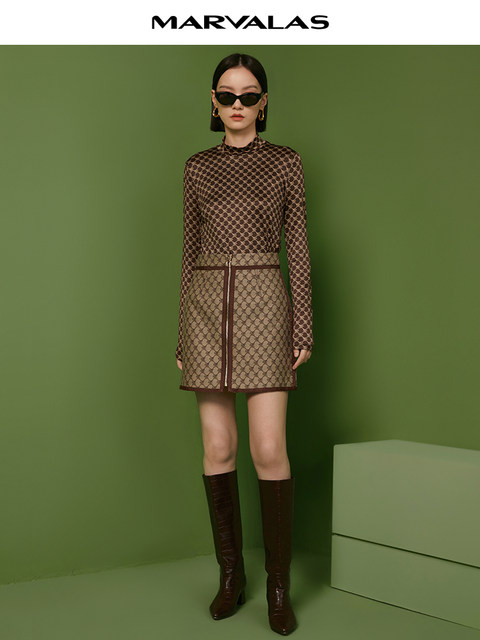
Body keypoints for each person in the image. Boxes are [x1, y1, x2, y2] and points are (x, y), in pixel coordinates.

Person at [175, 52, 314, 636]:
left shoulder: (285, 162)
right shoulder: (196, 168)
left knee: (268, 446)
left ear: (264, 102)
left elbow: (297, 247)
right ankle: (231, 575)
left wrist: (303, 325)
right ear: (213, 101)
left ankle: (279, 586)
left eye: (249, 95)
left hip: (265, 305)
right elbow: (188, 252)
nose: (238, 104)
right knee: (216, 446)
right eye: (227, 95)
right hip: (206, 309)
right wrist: (181, 332)